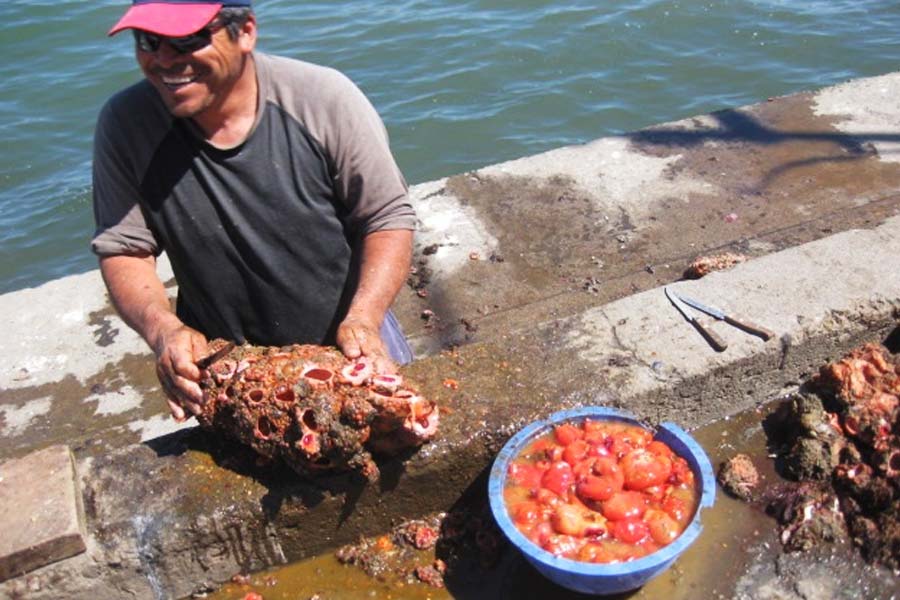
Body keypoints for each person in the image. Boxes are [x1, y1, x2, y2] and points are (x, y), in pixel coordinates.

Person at [91, 0, 416, 423]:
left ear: (245, 31)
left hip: (350, 343)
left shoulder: (323, 98)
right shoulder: (125, 124)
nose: (165, 60)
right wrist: (163, 330)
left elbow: (386, 216)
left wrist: (364, 319)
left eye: (188, 39)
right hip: (231, 370)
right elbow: (124, 248)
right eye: (148, 41)